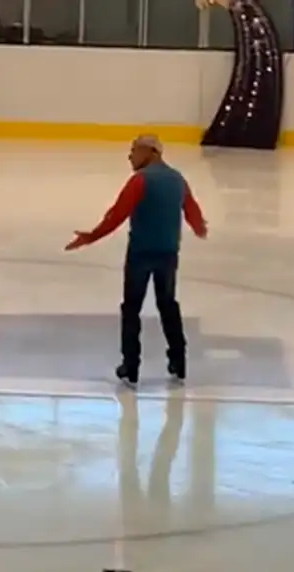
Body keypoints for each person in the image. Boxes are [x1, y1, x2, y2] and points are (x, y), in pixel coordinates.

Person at [65, 135, 208, 387]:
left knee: (131, 308)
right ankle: (179, 361)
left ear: (150, 152)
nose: (130, 156)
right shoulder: (178, 180)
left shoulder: (140, 180)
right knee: (168, 304)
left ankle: (131, 366)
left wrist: (91, 236)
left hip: (141, 253)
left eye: (134, 151)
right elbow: (192, 211)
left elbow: (117, 214)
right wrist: (200, 228)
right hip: (168, 253)